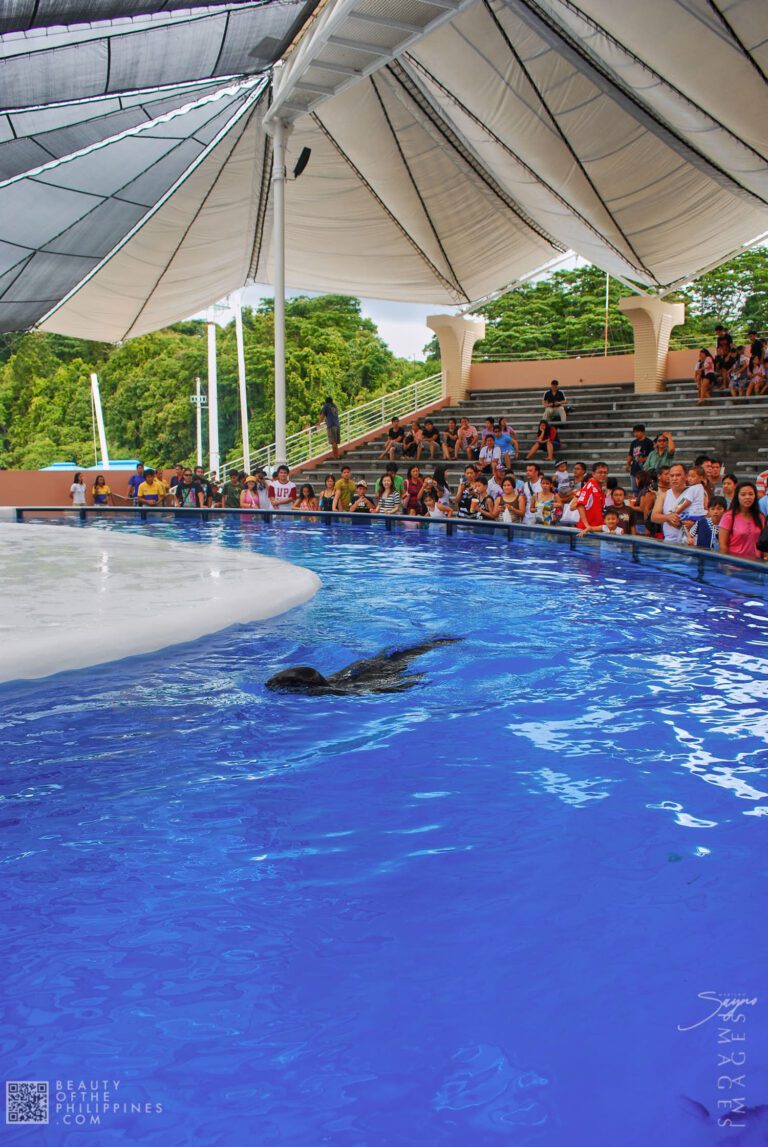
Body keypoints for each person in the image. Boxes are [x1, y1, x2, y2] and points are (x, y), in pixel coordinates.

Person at [719, 482, 766, 561]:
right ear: (737, 497)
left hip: (756, 564)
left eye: (751, 494)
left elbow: (764, 543)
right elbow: (723, 546)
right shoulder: (728, 517)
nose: (747, 497)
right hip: (734, 564)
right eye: (743, 494)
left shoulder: (760, 517)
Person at [651, 462, 690, 543]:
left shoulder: (694, 493)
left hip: (691, 542)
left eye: (678, 475)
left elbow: (705, 515)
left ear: (686, 476)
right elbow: (654, 517)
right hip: (670, 542)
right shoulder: (663, 496)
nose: (674, 478)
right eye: (672, 476)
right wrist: (668, 517)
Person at [576, 462, 608, 535]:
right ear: (593, 474)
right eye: (600, 472)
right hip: (586, 532)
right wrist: (587, 526)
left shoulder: (599, 488)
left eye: (605, 473)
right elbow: (580, 506)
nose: (603, 475)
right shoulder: (589, 487)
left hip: (595, 530)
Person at [625, 425, 653, 492]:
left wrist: (644, 459)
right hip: (634, 469)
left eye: (637, 432)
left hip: (644, 469)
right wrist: (628, 464)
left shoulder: (649, 442)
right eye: (634, 432)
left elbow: (652, 455)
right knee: (635, 489)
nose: (635, 434)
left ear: (643, 432)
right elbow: (630, 454)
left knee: (644, 489)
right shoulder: (633, 443)